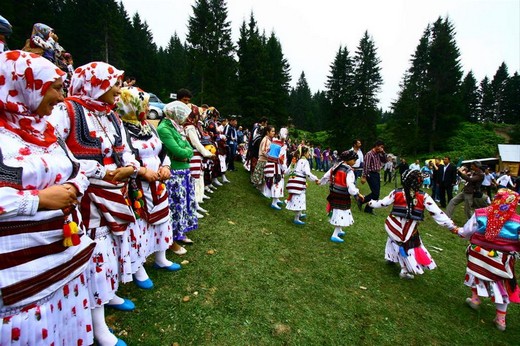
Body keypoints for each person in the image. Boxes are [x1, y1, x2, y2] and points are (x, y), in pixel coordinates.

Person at [0, 50, 96, 345]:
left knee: (63, 324)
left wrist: (74, 188)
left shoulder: (47, 129)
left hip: (62, 256)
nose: (60, 96)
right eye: (53, 87)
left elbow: (77, 168)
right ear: (25, 85)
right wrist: (39, 200)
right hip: (21, 274)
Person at [49, 61, 139, 346]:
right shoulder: (68, 111)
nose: (118, 90)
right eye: (113, 83)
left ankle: (107, 293)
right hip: (87, 197)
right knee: (94, 253)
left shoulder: (111, 116)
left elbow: (125, 151)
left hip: (115, 191)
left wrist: (131, 168)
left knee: (111, 247)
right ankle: (98, 326)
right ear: (96, 83)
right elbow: (57, 155)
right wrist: (103, 172)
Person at [116, 86, 180, 288]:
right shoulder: (120, 129)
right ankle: (138, 267)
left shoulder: (148, 127)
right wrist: (142, 171)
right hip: (137, 186)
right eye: (142, 105)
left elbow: (161, 152)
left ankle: (160, 257)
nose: (146, 109)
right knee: (140, 226)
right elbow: (121, 157)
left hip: (158, 184)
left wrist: (166, 166)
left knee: (161, 219)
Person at [367, 169, 458, 279]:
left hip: (394, 224)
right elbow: (437, 212)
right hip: (409, 227)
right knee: (407, 246)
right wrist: (451, 225)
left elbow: (383, 203)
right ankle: (403, 269)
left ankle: (392, 258)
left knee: (395, 241)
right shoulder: (423, 196)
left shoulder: (397, 192)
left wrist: (371, 203)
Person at [457, 188, 520, 331]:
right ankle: (500, 319)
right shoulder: (517, 222)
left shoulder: (481, 213)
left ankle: (475, 299)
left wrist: (458, 231)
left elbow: (467, 230)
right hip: (501, 260)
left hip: (478, 255)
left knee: (477, 274)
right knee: (502, 286)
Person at [158, 101, 198, 249]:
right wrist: (185, 153)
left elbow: (188, 148)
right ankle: (172, 235)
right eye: (183, 115)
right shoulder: (164, 128)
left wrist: (186, 154)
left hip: (184, 170)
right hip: (174, 173)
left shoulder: (177, 127)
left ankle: (180, 232)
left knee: (183, 204)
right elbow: (177, 151)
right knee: (175, 205)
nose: (185, 118)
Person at [319, 150, 364, 243]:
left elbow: (327, 175)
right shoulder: (349, 171)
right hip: (342, 195)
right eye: (354, 160)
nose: (355, 162)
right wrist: (357, 193)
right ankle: (335, 234)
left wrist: (321, 181)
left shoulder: (336, 166)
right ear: (348, 159)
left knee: (339, 212)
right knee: (341, 213)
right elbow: (350, 185)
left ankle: (339, 230)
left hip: (334, 193)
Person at [285, 146, 319, 225]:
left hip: (293, 182)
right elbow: (307, 173)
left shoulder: (296, 160)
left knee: (297, 199)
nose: (309, 154)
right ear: (304, 153)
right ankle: (296, 218)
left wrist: (283, 174)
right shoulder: (305, 161)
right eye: (308, 152)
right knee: (299, 200)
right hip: (299, 184)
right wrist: (316, 179)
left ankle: (299, 214)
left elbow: (290, 170)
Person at [358, 140, 386, 214]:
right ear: (376, 146)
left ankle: (368, 208)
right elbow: (366, 166)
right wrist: (364, 176)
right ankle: (362, 201)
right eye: (381, 147)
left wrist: (383, 152)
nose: (381, 149)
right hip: (370, 174)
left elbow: (385, 160)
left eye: (382, 147)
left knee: (376, 193)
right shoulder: (369, 154)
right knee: (375, 193)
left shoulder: (378, 154)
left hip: (377, 174)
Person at [264, 128, 289, 210]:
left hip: (269, 164)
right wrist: (284, 168)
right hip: (276, 167)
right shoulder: (283, 145)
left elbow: (267, 152)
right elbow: (281, 159)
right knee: (277, 183)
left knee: (273, 182)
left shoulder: (273, 141)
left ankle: (277, 199)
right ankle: (274, 202)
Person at [251, 125, 275, 191]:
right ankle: (258, 188)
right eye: (272, 131)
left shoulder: (268, 140)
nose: (274, 133)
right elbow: (264, 151)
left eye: (274, 131)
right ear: (267, 132)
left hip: (264, 160)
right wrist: (270, 158)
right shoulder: (266, 140)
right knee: (261, 175)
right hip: (263, 160)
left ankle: (259, 187)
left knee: (261, 176)